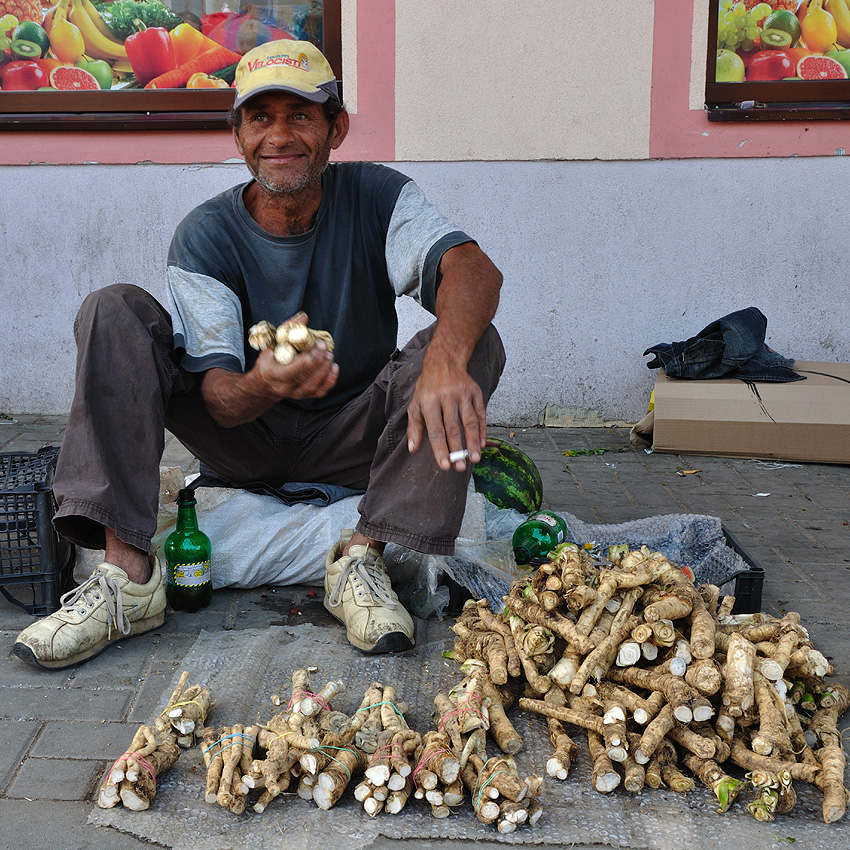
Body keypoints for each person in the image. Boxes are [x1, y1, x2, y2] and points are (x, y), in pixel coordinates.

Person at [12, 39, 504, 670]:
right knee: (114, 310)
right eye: (261, 117)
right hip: (239, 442)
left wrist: (445, 359)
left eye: (301, 115)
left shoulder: (380, 199)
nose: (281, 134)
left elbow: (473, 270)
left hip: (354, 437)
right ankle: (127, 579)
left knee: (471, 342)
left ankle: (362, 560)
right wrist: (268, 383)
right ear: (237, 135)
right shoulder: (207, 233)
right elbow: (218, 398)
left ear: (337, 127)